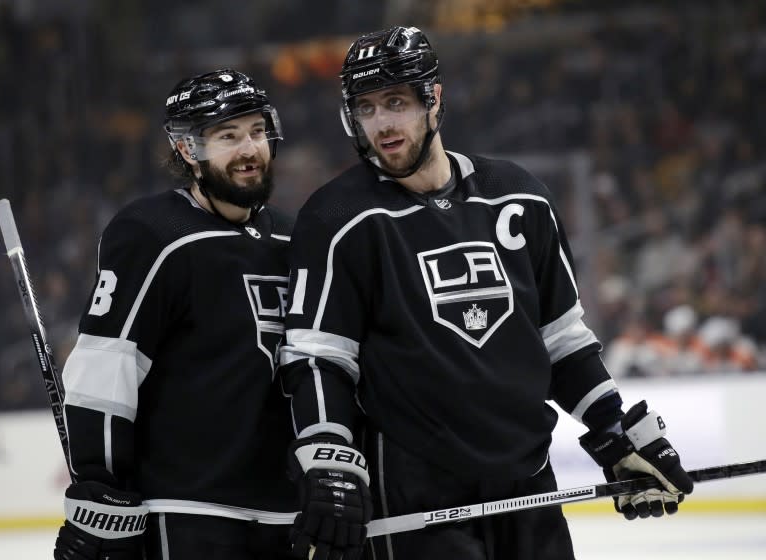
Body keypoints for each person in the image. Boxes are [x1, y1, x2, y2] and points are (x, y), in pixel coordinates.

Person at [279, 27, 694, 560]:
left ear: (434, 99)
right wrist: (328, 454)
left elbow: (562, 342)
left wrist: (614, 429)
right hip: (413, 495)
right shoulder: (337, 217)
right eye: (367, 108)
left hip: (528, 483)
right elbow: (319, 357)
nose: (382, 123)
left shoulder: (519, 197)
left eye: (397, 102)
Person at [53, 69, 298, 560]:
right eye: (228, 136)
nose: (249, 149)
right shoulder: (153, 233)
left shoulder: (294, 239)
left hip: (285, 515)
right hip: (188, 513)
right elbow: (106, 366)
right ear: (188, 150)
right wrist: (101, 485)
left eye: (255, 131)